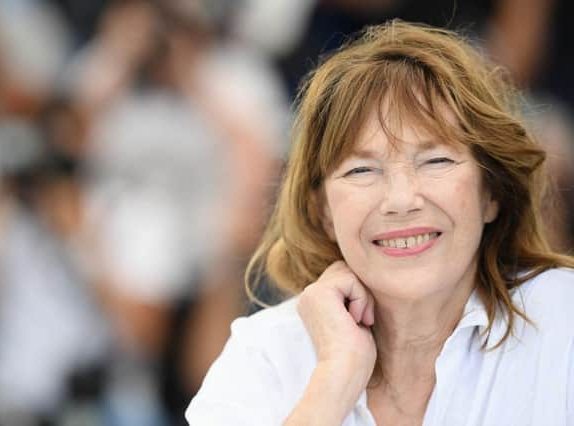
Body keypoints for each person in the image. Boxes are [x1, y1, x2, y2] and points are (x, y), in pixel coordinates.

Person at [185, 20, 574, 425]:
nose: (401, 200)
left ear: (490, 193)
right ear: (323, 212)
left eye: (436, 160)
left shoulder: (564, 320)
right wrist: (335, 378)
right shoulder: (266, 354)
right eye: (361, 170)